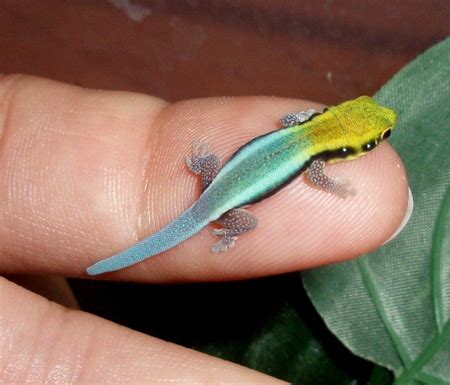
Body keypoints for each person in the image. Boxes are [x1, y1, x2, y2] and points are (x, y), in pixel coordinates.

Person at [0, 74, 410, 383]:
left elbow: (289, 117)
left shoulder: (302, 123)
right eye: (381, 133)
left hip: (217, 180)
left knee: (199, 204)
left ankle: (201, 173)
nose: (385, 126)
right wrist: (335, 186)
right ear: (355, 148)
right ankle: (230, 230)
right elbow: (316, 178)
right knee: (242, 222)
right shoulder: (319, 163)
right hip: (227, 202)